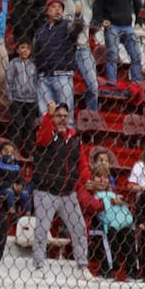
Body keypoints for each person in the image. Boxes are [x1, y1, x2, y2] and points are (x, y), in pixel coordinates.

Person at [32, 102, 92, 279]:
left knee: (79, 228)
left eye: (65, 116)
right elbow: (42, 139)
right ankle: (38, 265)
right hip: (46, 191)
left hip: (68, 193)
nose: (62, 119)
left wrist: (87, 179)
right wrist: (48, 117)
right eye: (58, 116)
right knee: (42, 229)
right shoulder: (47, 133)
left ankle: (82, 266)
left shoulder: (74, 138)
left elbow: (81, 162)